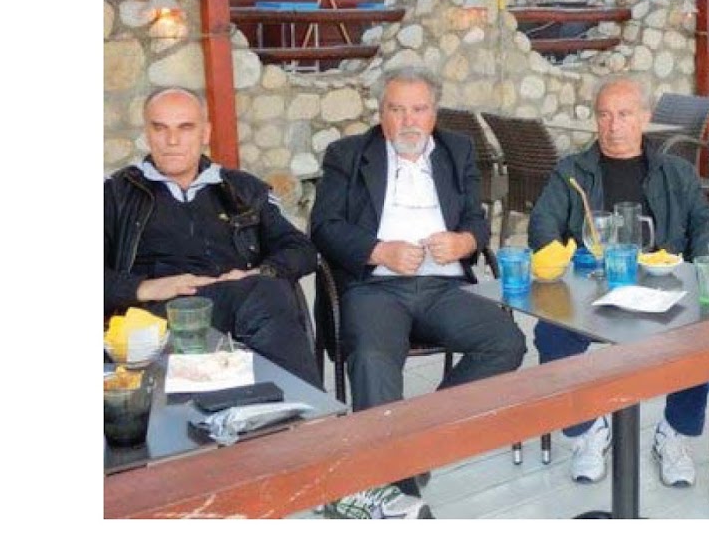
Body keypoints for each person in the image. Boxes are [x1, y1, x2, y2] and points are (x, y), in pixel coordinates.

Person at [310, 65, 527, 515]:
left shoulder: (457, 150)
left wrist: (463, 242)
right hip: (375, 288)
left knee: (506, 341)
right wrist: (379, 251)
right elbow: (324, 227)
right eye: (397, 110)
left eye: (419, 109)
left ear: (434, 113)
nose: (409, 121)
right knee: (372, 358)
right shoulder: (347, 154)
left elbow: (477, 220)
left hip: (443, 287)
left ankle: (415, 445)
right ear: (381, 113)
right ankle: (398, 495)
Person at [528, 75, 709, 488]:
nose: (613, 125)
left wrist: (705, 264)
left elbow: (705, 222)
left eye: (624, 114)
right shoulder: (573, 172)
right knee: (551, 333)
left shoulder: (676, 172)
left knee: (705, 330)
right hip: (590, 290)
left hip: (662, 286)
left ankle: (673, 433)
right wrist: (558, 256)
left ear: (645, 118)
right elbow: (542, 223)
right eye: (604, 115)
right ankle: (587, 429)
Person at [104, 88, 320, 385]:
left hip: (236, 306)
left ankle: (299, 407)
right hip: (153, 319)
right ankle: (307, 408)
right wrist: (146, 287)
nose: (172, 140)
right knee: (266, 295)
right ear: (147, 134)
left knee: (268, 291)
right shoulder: (115, 194)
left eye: (185, 127)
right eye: (160, 128)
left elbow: (301, 249)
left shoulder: (243, 190)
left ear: (205, 133)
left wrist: (258, 273)